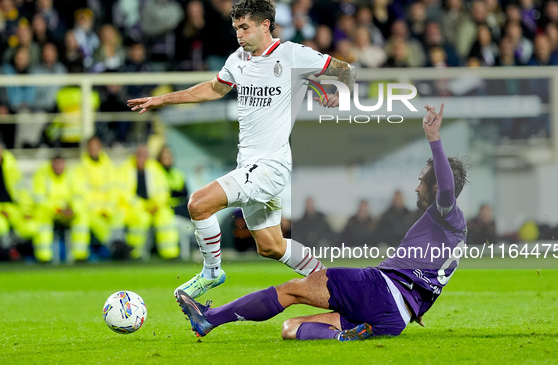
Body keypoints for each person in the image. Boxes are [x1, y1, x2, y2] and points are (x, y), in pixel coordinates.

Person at [176, 103, 469, 341]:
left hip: (378, 290)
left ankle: (209, 319)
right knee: (290, 328)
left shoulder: (446, 211)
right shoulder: (454, 230)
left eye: (421, 182)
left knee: (291, 289)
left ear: (435, 188)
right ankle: (346, 337)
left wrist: (434, 139)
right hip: (395, 319)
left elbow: (445, 189)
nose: (416, 188)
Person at [128, 0, 355, 299]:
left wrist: (338, 93)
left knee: (198, 203)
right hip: (248, 165)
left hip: (269, 166)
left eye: (245, 27)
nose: (240, 34)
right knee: (272, 247)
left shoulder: (292, 55)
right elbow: (212, 88)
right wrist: (162, 99)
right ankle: (334, 284)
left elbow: (345, 71)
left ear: (265, 25)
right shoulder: (237, 59)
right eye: (236, 28)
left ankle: (211, 272)